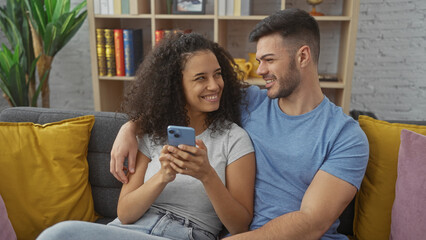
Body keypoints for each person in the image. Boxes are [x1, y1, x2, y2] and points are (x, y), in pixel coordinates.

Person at [111, 8, 370, 240]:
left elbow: (311, 223)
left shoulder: (345, 136)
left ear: (303, 56)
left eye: (269, 60)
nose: (260, 70)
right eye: (258, 61)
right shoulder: (250, 102)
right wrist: (130, 128)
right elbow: (179, 99)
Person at [37, 32, 255, 240]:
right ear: (176, 87)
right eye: (201, 78)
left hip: (185, 233)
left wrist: (207, 175)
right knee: (58, 234)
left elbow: (239, 226)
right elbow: (125, 213)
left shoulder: (234, 139)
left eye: (217, 74)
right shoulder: (152, 134)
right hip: (130, 230)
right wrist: (163, 176)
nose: (214, 85)